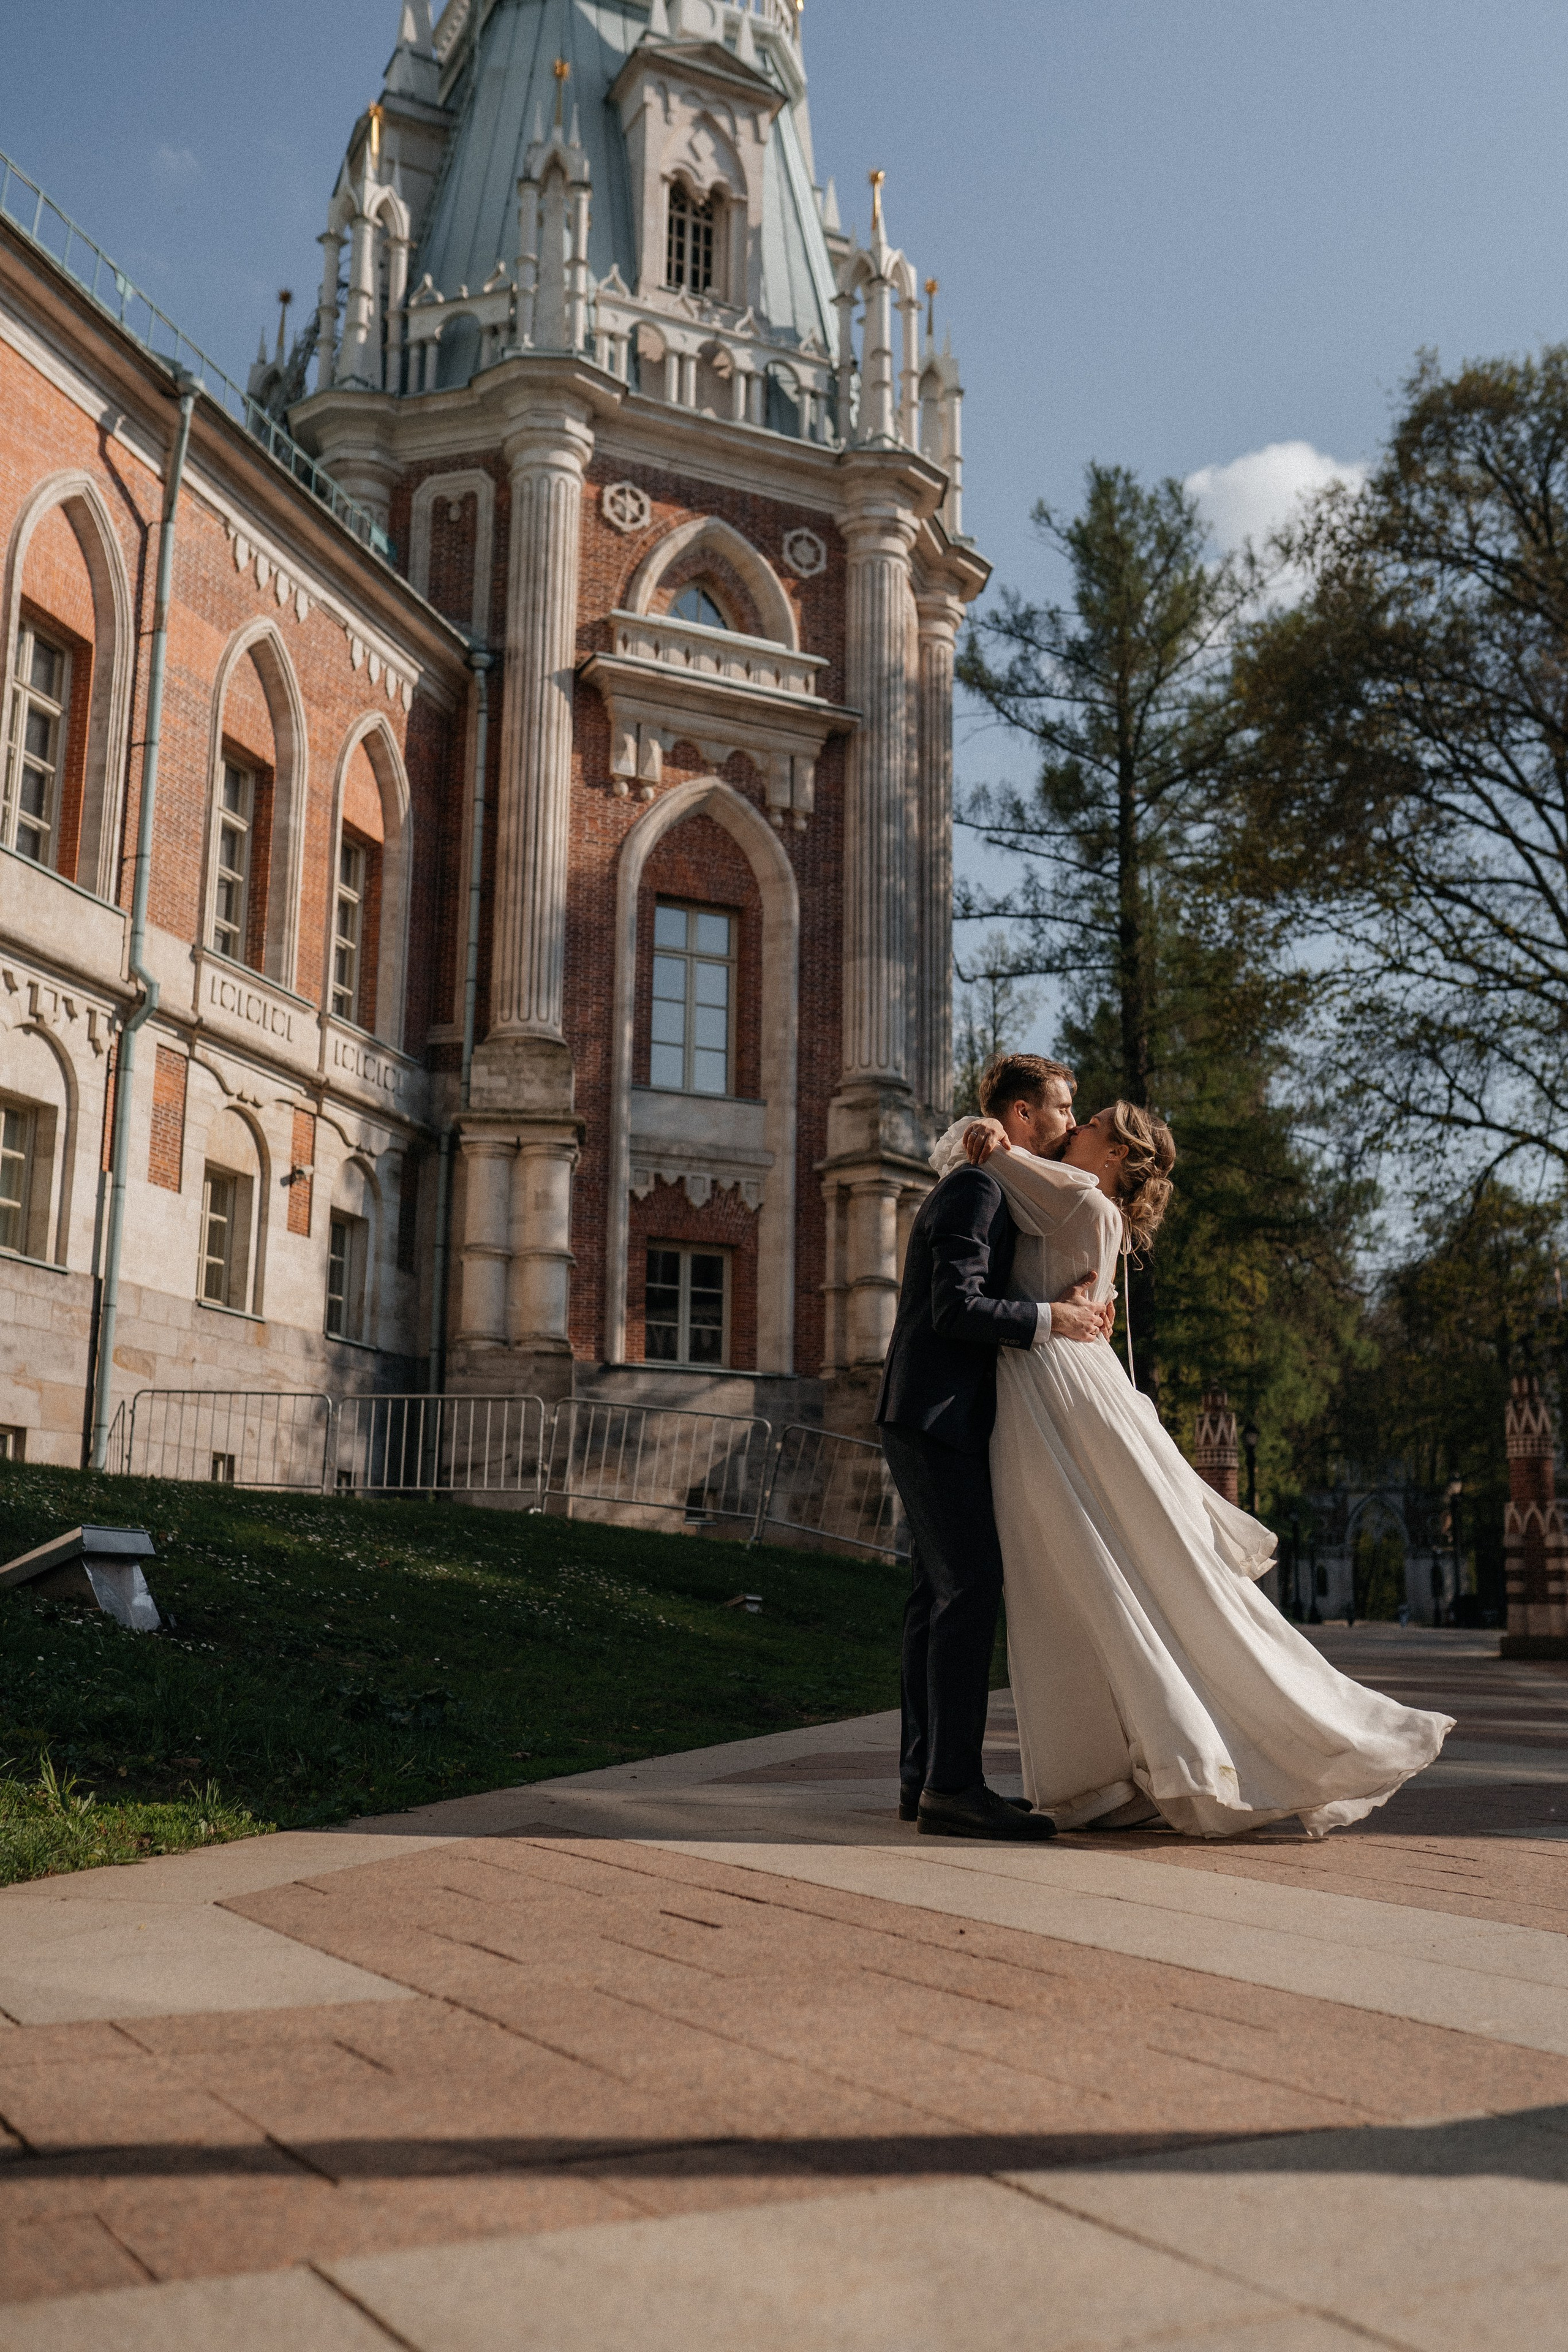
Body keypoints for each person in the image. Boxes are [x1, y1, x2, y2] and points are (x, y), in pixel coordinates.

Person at [951, 1097, 1453, 1837]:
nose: (1077, 1124)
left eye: (1091, 1122)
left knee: (1085, 1574)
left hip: (1055, 1392)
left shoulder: (1083, 1199)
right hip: (1052, 1387)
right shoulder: (1087, 1205)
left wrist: (989, 1139)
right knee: (1078, 1578)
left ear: (1117, 1155)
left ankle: (1141, 1763)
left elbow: (984, 1170)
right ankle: (1114, 1766)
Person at [876, 1055, 1114, 1840]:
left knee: (934, 1598)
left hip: (935, 1412)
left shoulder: (994, 1181)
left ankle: (925, 1779)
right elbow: (955, 1307)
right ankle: (953, 1786)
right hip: (937, 1414)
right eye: (1060, 1108)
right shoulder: (976, 1187)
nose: (1071, 1123)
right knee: (969, 1592)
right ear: (1019, 1115)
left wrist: (1061, 1305)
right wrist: (1052, 1318)